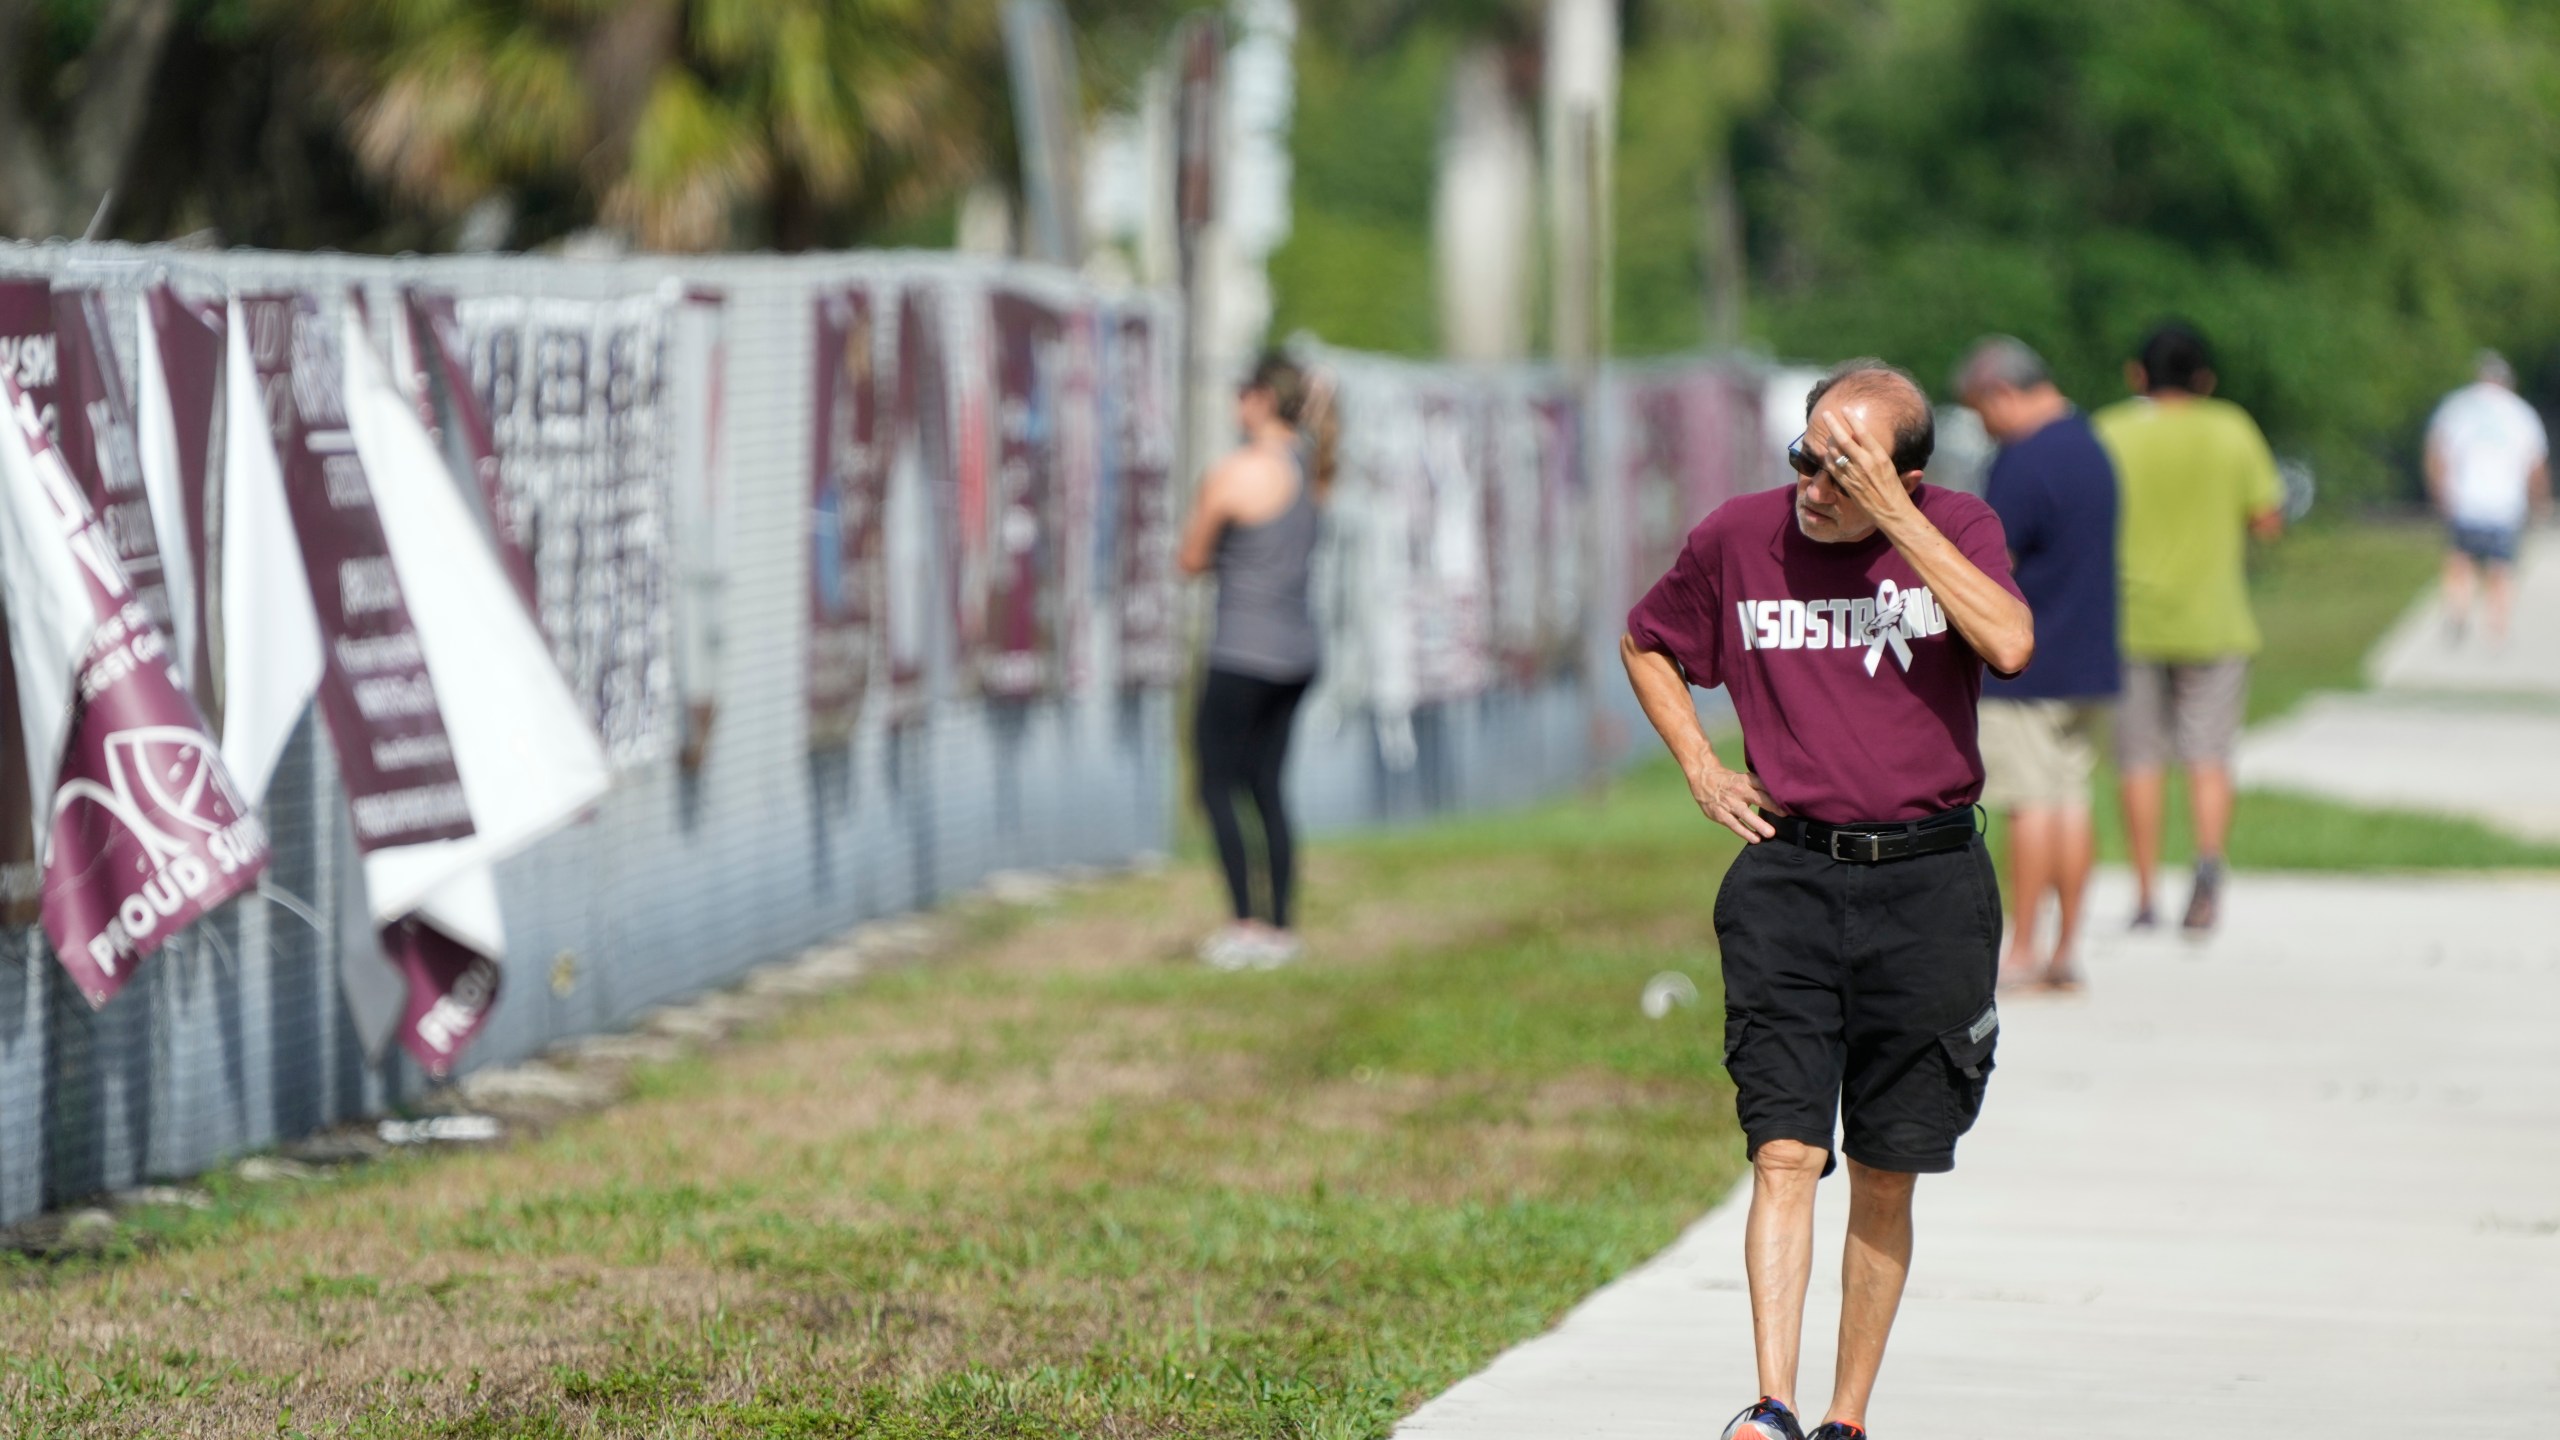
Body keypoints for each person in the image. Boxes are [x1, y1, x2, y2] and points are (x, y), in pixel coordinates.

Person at [1623, 360, 2032, 1440]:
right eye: (1806, 453)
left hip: (1932, 886)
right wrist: (1701, 768)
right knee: (1784, 1150)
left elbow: (2008, 642)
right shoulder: (1736, 538)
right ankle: (1771, 1406)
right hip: (1790, 880)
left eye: (1842, 465)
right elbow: (1648, 642)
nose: (1813, 480)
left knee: (1886, 1170)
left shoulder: (1958, 530)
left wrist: (1896, 519)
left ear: (1902, 472)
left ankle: (1846, 1419)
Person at [2094, 322, 2283, 935]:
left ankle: (2146, 893)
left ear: (2136, 375)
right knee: (2209, 754)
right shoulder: (2232, 428)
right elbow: (2267, 520)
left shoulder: (2109, 431)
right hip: (2215, 618)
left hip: (2128, 620)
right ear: (2205, 378)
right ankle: (2205, 871)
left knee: (2139, 759)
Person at [1956, 337, 2118, 991]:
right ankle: (2064, 948)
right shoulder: (2091, 444)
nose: (1982, 425)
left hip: (2032, 662)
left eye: (1980, 409)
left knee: (2029, 805)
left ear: (2002, 391)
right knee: (2071, 800)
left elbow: (1995, 563)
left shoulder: (2023, 460)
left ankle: (2021, 948)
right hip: (2092, 657)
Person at [1177, 351, 1332, 971]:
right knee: (1267, 785)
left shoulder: (1237, 472)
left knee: (1215, 783)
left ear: (1263, 397)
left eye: (1243, 390)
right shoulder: (1314, 467)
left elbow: (1190, 557)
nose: (1234, 403)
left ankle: (1243, 923)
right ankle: (1281, 926)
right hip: (1298, 653)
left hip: (1242, 648)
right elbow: (1321, 409)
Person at [2425, 350, 2549, 645]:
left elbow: (2437, 454)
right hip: (2505, 503)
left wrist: (2440, 492)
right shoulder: (2520, 412)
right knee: (2501, 568)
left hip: (2465, 500)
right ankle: (2497, 628)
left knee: (2460, 560)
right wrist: (2539, 502)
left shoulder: (2457, 407)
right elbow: (2535, 465)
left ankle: (2458, 611)